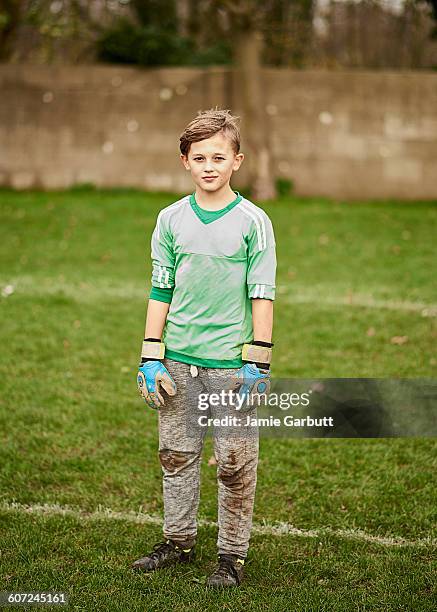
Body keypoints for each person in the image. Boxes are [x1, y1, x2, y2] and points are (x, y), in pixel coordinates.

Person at [132, 108, 277, 588]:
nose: (209, 165)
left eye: (219, 156)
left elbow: (262, 292)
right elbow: (160, 289)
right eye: (199, 157)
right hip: (178, 361)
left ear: (238, 160)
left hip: (231, 366)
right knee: (176, 455)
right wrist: (151, 353)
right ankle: (178, 540)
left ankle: (232, 556)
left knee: (235, 464)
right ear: (185, 162)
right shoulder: (170, 219)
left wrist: (259, 359)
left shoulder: (254, 221)